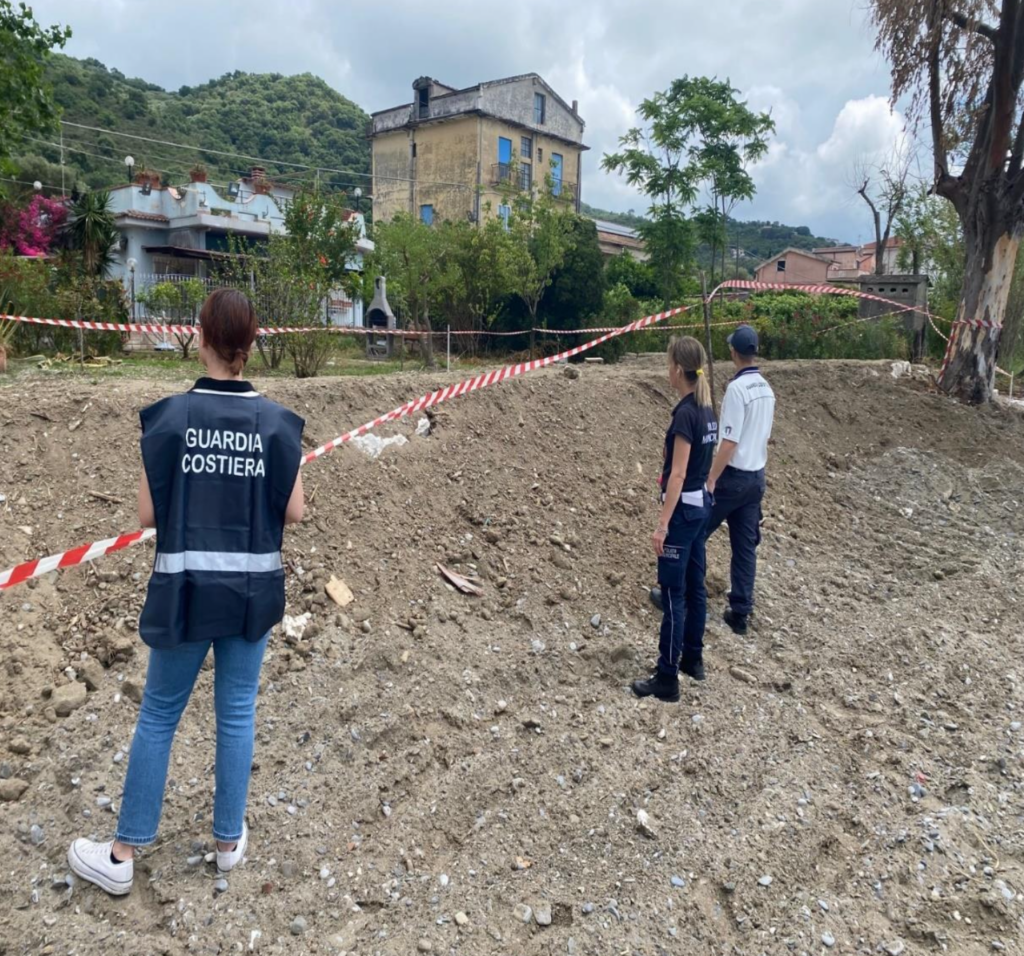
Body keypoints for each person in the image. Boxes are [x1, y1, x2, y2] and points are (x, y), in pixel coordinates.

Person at [67, 289, 305, 896]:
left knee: (160, 713)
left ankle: (122, 854)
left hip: (185, 594)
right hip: (250, 596)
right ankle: (227, 844)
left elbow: (148, 516)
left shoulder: (171, 419)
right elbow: (295, 511)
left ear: (200, 339)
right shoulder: (278, 425)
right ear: (252, 345)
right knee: (237, 711)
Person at [649, 325, 775, 636]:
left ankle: (679, 592)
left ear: (733, 352)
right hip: (756, 476)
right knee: (745, 546)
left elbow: (729, 442)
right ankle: (740, 610)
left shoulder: (737, 390)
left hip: (732, 477)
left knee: (694, 533)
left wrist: (711, 479)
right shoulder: (766, 388)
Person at [633, 337, 718, 702]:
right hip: (701, 506)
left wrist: (662, 524)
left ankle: (667, 676)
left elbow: (678, 473)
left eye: (668, 364)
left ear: (679, 369)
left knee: (672, 594)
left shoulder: (686, 414)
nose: (666, 370)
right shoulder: (707, 409)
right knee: (695, 586)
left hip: (683, 511)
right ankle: (692, 660)